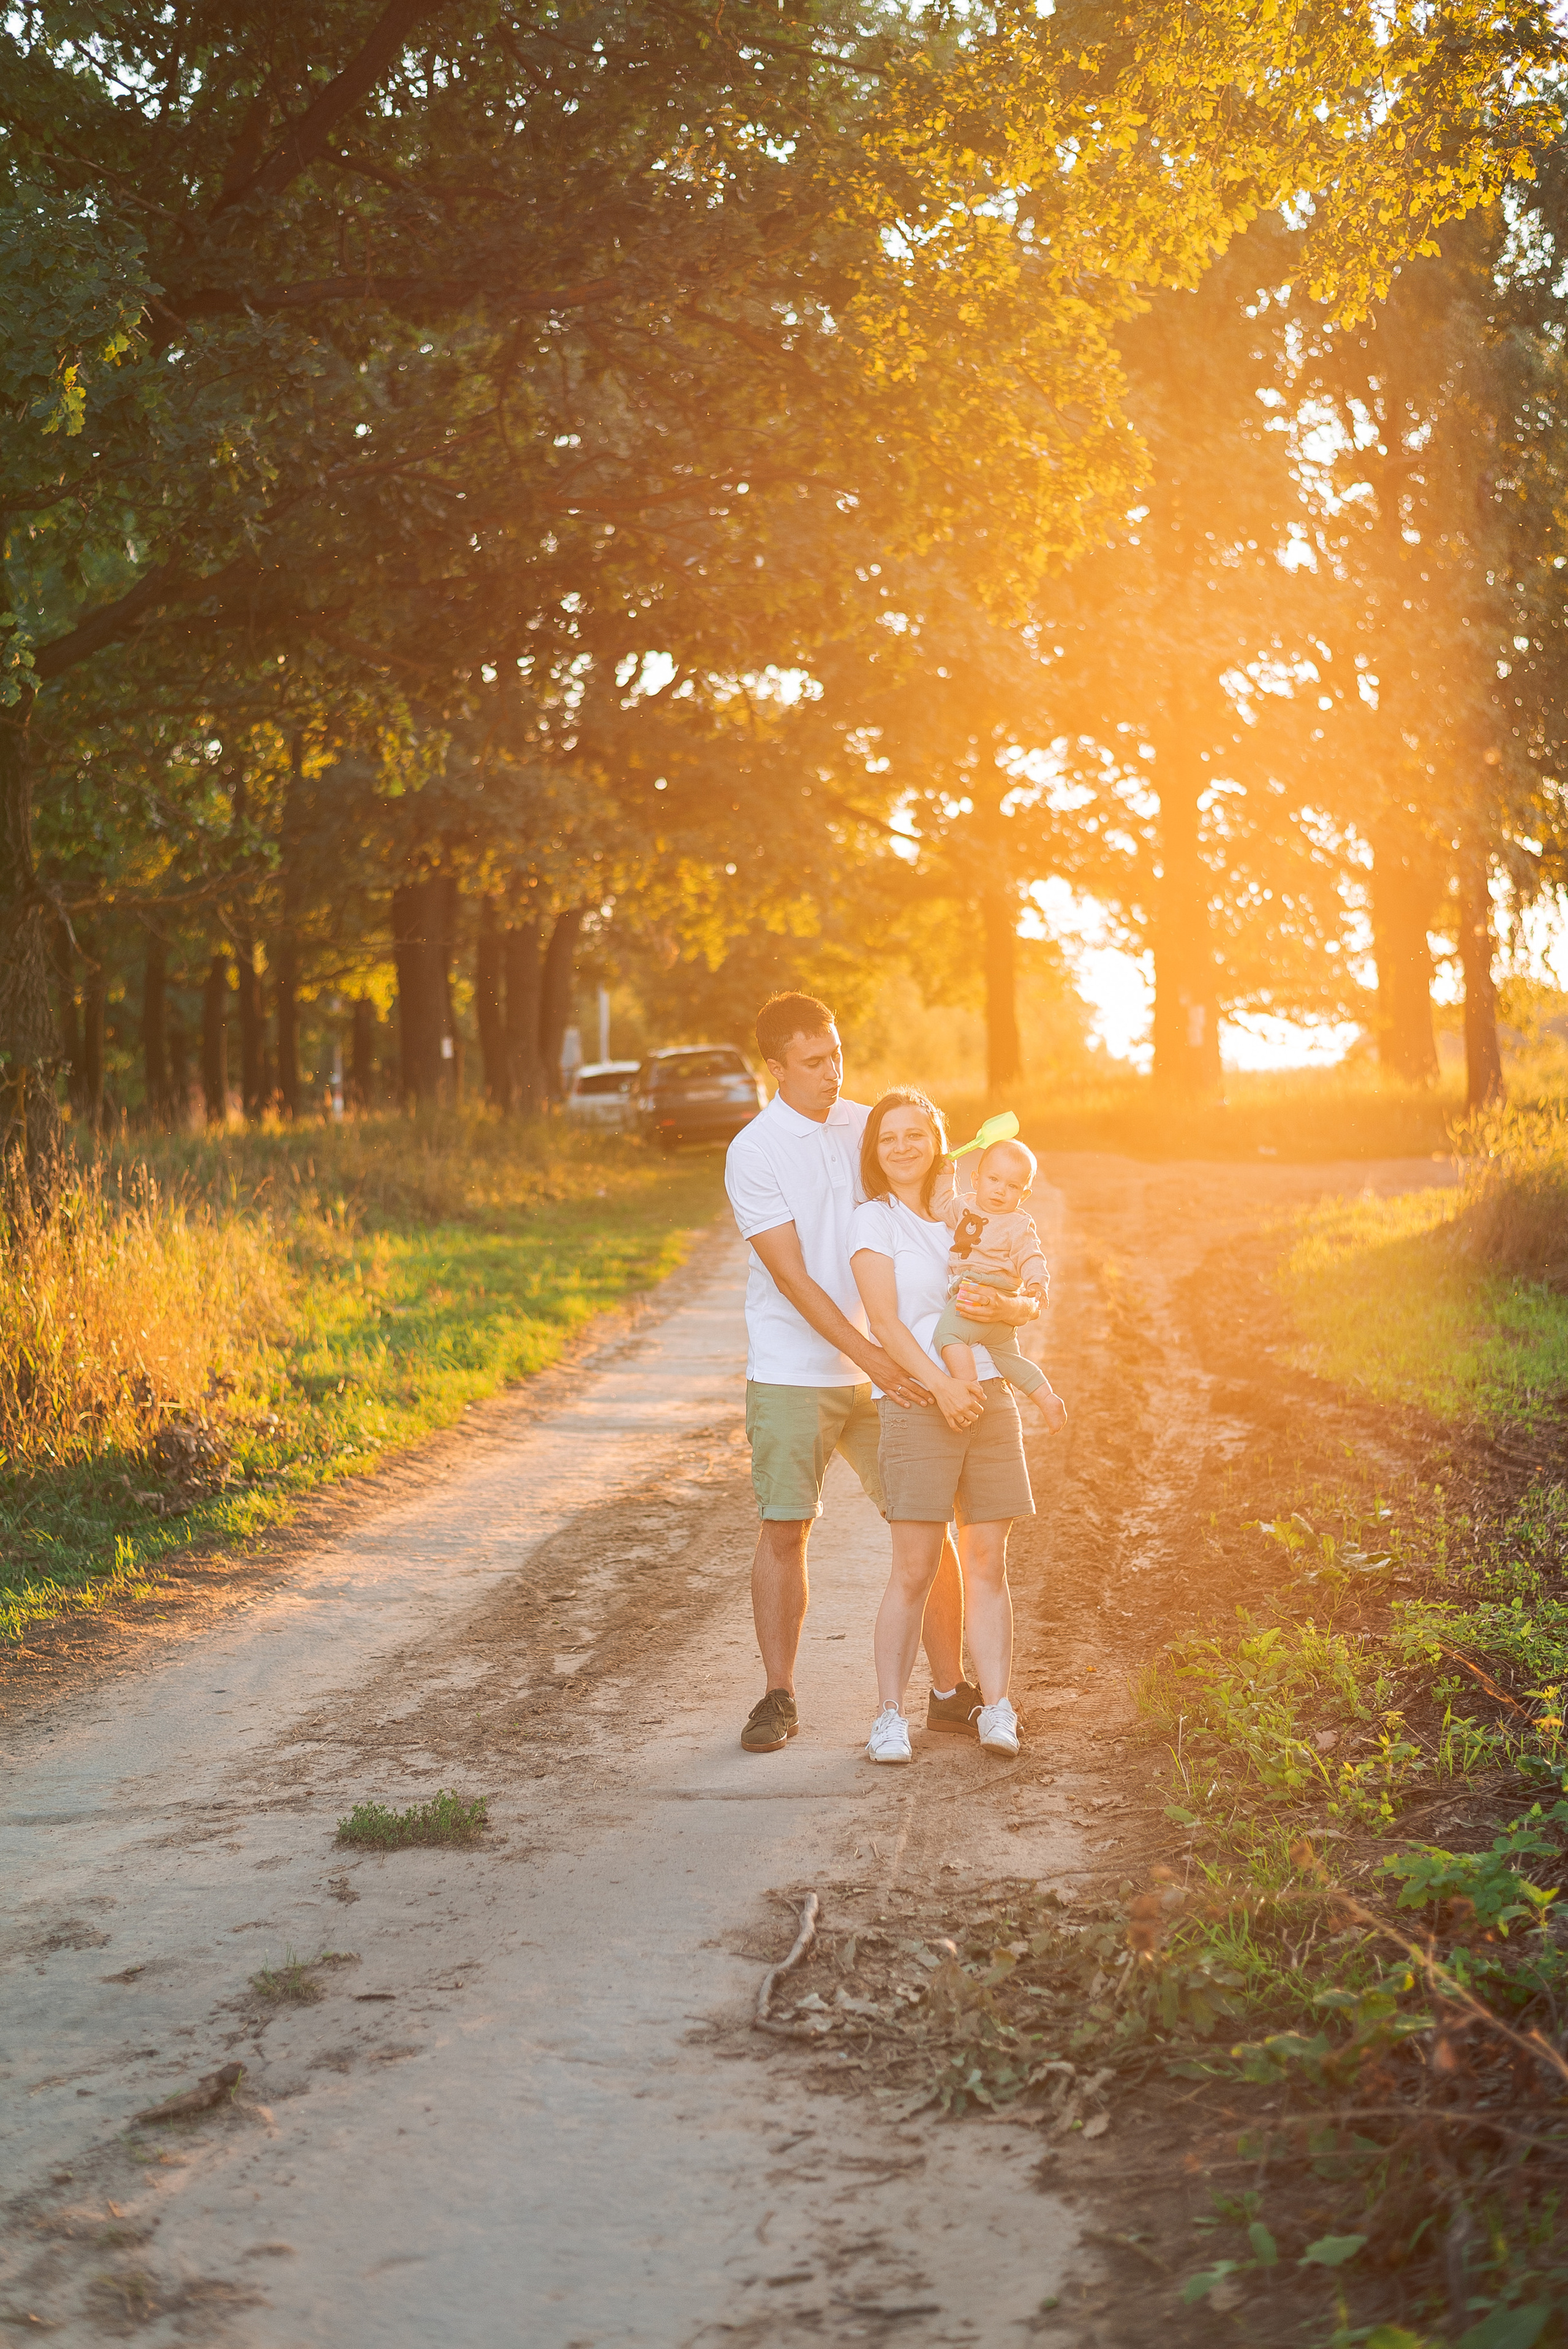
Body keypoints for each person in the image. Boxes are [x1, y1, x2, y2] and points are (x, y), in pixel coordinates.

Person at [723, 994, 1038, 1754]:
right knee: (785, 1527)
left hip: (898, 1370)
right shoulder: (755, 1150)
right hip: (797, 1370)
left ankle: (947, 1691)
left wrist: (1008, 1283)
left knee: (928, 1532)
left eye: (836, 1054)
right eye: (813, 1061)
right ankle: (778, 1695)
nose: (832, 1072)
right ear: (775, 1068)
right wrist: (877, 1360)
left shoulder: (868, 1124)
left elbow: (941, 1210)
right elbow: (794, 1279)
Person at [849, 1089, 1037, 1763]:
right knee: (914, 1569)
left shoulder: (972, 1213)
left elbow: (1019, 1295)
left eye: (915, 1135)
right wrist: (941, 1387)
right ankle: (889, 1716)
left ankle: (997, 1707)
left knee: (988, 1562)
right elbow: (887, 1324)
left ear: (937, 1142)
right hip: (918, 1404)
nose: (902, 1147)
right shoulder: (875, 1222)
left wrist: (1010, 1304)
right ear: (874, 1150)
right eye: (888, 1137)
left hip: (990, 1397)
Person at [930, 1138, 1068, 1434]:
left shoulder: (1018, 1224)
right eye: (993, 1180)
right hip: (1003, 1314)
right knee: (1009, 1359)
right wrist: (944, 1174)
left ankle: (968, 1389)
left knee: (948, 1336)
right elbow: (940, 1205)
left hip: (977, 1291)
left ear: (1025, 1194)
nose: (1000, 1190)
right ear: (976, 1180)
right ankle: (1046, 1398)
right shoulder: (963, 1205)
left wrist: (1037, 1282)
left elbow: (1031, 1255)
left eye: (1012, 1186)